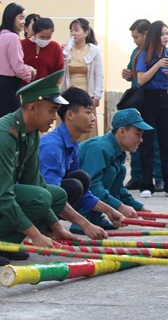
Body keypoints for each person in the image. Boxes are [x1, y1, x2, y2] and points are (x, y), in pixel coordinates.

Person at [0, 70, 78, 266]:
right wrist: (35, 234)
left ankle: (6, 243)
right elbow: (2, 194)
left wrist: (57, 227)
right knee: (41, 197)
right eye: (51, 110)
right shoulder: (4, 134)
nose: (55, 118)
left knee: (56, 195)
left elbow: (34, 183)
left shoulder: (30, 133)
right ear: (32, 108)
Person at [40, 87, 126, 236]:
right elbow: (51, 195)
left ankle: (47, 226)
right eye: (88, 112)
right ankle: (42, 227)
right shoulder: (51, 146)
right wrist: (85, 225)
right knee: (73, 185)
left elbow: (83, 194)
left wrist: (110, 210)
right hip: (29, 203)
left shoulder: (73, 145)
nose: (93, 118)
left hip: (45, 199)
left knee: (81, 179)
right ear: (70, 115)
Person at [79, 108, 154, 230]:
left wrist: (139, 207)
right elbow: (92, 187)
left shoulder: (117, 152)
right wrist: (119, 207)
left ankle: (94, 217)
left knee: (120, 170)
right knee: (111, 172)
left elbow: (118, 190)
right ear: (122, 131)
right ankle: (84, 218)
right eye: (138, 134)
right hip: (67, 195)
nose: (141, 140)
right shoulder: (99, 148)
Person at [135, 20, 168, 197]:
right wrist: (157, 65)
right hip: (149, 97)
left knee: (165, 143)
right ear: (155, 35)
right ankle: (146, 185)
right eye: (163, 34)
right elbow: (140, 80)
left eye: (167, 33)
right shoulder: (145, 55)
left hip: (164, 97)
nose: (166, 37)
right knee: (147, 141)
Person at [121, 19, 163, 192]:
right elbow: (133, 73)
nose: (135, 41)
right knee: (134, 137)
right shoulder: (135, 52)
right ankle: (137, 176)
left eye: (137, 37)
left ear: (147, 34)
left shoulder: (158, 53)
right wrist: (127, 74)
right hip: (136, 99)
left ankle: (159, 177)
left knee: (153, 140)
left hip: (151, 99)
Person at [0, 2, 36, 121]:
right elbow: (18, 67)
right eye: (21, 18)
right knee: (13, 127)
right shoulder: (13, 37)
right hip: (9, 89)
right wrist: (30, 71)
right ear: (12, 17)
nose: (23, 22)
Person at [61, 18, 103, 140]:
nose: (73, 33)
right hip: (68, 95)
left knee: (85, 130)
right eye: (71, 31)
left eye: (76, 30)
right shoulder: (67, 50)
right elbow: (61, 73)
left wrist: (97, 96)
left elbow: (99, 75)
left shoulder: (94, 51)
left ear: (86, 32)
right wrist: (63, 53)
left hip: (86, 95)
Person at [20, 17, 64, 82]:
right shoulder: (22, 45)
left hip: (47, 89)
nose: (45, 40)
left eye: (48, 37)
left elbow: (59, 71)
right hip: (24, 88)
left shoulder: (55, 47)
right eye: (42, 37)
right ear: (34, 33)